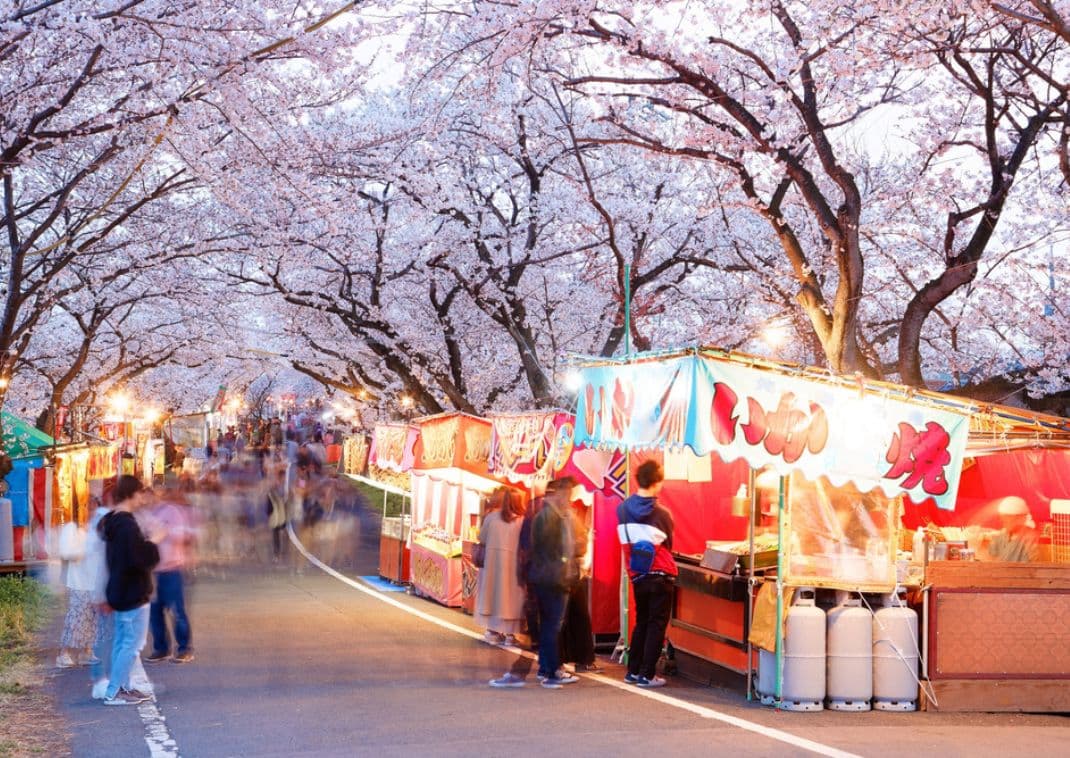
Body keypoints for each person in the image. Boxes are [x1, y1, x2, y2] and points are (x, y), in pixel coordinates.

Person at [99, 476, 160, 705]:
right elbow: (138, 559)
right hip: (132, 592)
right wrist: (153, 541)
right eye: (141, 493)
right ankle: (114, 691)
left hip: (119, 589)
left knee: (122, 642)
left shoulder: (112, 521)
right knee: (131, 645)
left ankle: (123, 686)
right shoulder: (126, 524)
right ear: (133, 494)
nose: (143, 498)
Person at [617, 460, 677, 688]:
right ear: (656, 482)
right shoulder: (662, 513)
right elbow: (668, 544)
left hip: (637, 573)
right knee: (656, 624)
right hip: (661, 573)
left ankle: (633, 671)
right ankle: (647, 674)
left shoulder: (622, 509)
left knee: (642, 621)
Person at [526, 477, 580, 689]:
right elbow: (551, 549)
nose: (569, 498)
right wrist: (564, 566)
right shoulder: (551, 517)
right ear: (558, 493)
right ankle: (552, 671)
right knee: (552, 625)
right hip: (553, 577)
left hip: (546, 576)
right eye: (567, 493)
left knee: (549, 624)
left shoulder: (548, 515)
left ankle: (546, 667)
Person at [144, 486, 196, 663]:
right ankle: (161, 648)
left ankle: (184, 648)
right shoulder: (145, 515)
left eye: (150, 495)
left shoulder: (171, 511)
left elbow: (180, 535)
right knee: (154, 611)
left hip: (172, 568)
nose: (147, 499)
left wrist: (161, 531)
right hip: (153, 571)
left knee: (177, 610)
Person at [475, 488, 526, 646]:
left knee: (493, 596)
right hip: (514, 566)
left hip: (492, 565)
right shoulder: (522, 521)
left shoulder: (491, 518)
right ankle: (510, 635)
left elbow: (481, 537)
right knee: (512, 599)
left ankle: (492, 631)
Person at [558, 497, 600, 672]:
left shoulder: (548, 518)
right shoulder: (568, 519)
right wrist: (586, 539)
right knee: (575, 617)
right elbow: (579, 546)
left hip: (561, 573)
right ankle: (570, 662)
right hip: (570, 573)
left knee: (565, 618)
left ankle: (561, 662)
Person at [56, 518, 96, 668]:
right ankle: (63, 654)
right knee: (76, 617)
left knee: (90, 618)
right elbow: (66, 553)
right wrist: (88, 549)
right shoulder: (71, 528)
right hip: (79, 581)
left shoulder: (91, 530)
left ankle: (86, 652)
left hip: (92, 580)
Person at [984, 495, 1039, 562]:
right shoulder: (1000, 536)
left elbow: (1033, 566)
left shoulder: (1031, 538)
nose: (1002, 521)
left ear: (1019, 518)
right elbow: (990, 559)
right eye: (1002, 517)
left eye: (1007, 518)